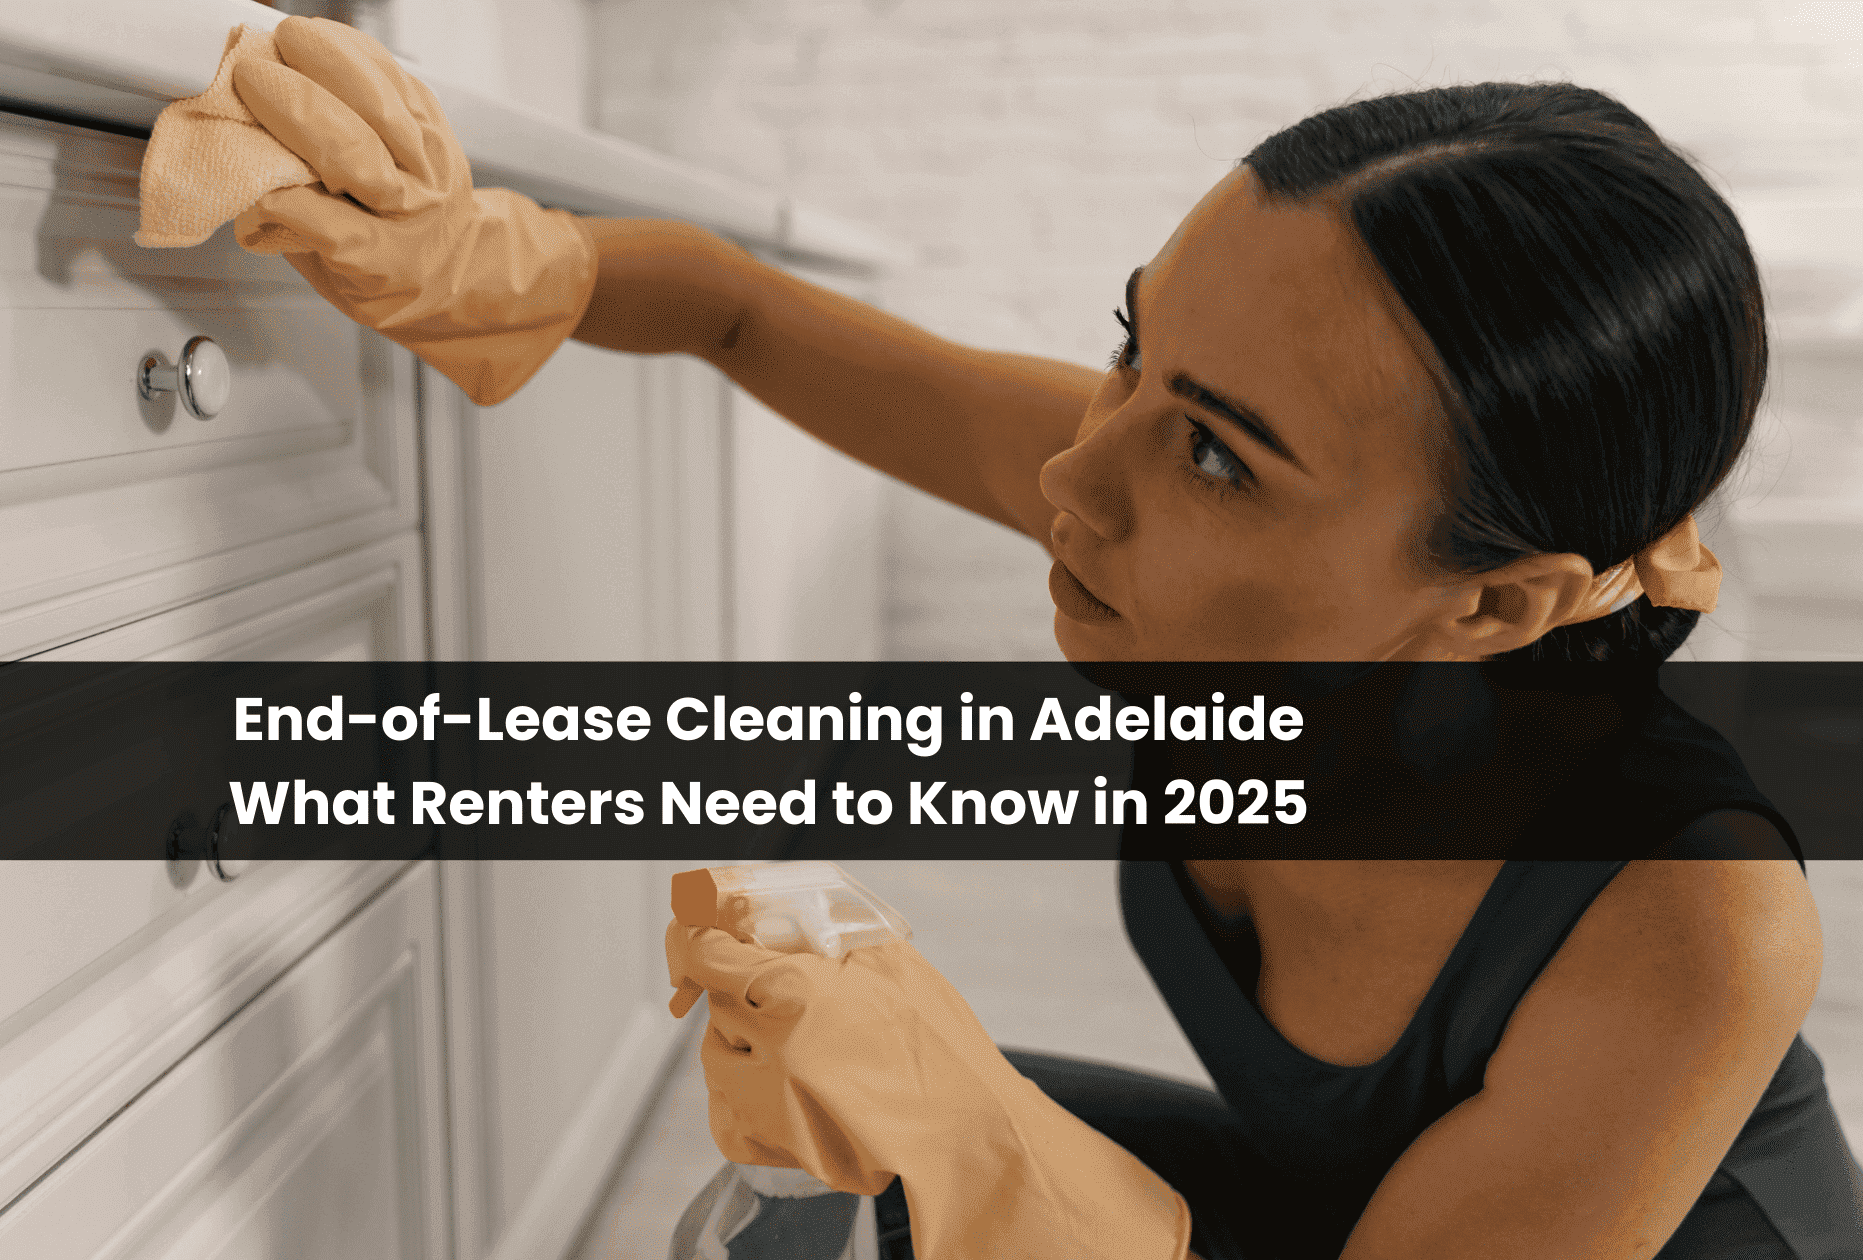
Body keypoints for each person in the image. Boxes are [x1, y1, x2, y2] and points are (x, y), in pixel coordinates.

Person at [225, 27, 1862, 1258]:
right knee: (810, 1193)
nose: (1078, 477)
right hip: (1355, 1218)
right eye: (1129, 351)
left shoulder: (1692, 925)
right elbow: (738, 309)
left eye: (1217, 448)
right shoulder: (1212, 563)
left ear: (1497, 603)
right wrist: (490, 260)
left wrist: (1013, 1172)